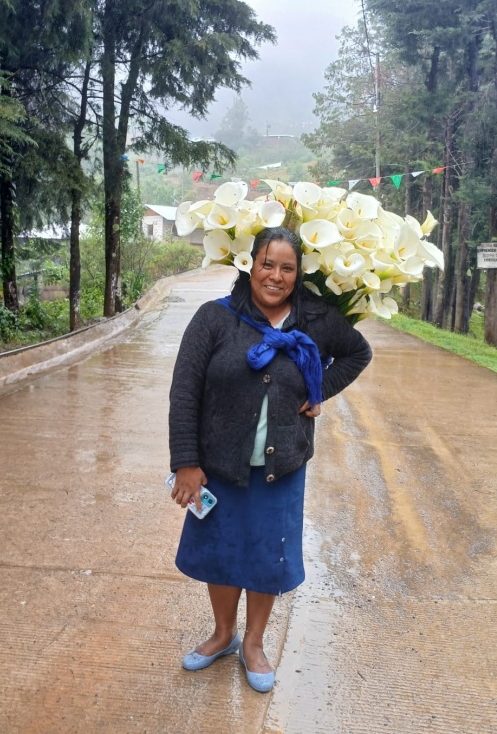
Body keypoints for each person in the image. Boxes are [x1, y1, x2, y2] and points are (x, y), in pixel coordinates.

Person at [168, 226, 372, 692]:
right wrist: (186, 460)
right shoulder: (213, 319)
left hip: (282, 467)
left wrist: (319, 389)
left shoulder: (317, 320)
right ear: (250, 265)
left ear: (298, 274)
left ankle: (254, 644)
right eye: (267, 264)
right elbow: (184, 393)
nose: (275, 276)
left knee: (266, 555)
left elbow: (357, 353)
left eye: (286, 268)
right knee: (220, 553)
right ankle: (223, 634)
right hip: (219, 464)